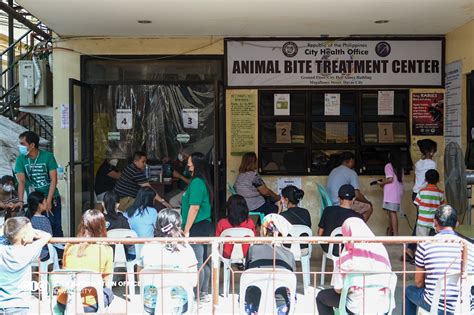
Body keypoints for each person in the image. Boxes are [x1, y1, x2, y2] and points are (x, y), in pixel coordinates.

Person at [405, 205, 474, 315]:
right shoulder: (470, 246)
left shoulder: (425, 245)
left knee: (408, 291)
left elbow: (418, 282)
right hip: (463, 306)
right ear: (456, 224)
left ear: (435, 222)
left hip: (435, 304)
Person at [316, 217, 393, 315]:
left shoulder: (347, 256)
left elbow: (338, 289)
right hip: (382, 305)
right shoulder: (381, 250)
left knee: (321, 297)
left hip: (357, 308)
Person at [140, 209, 197, 314]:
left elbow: (140, 275)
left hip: (151, 304)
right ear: (178, 226)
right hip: (178, 304)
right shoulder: (186, 249)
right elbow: (194, 281)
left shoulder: (147, 248)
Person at [57, 210, 114, 313]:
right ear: (101, 226)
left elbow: (65, 271)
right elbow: (107, 281)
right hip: (89, 305)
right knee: (109, 293)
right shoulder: (106, 249)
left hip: (64, 301)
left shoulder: (69, 246)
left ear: (82, 225)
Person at [244, 214, 296, 315]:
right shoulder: (289, 255)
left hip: (254, 305)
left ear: (263, 231)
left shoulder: (252, 250)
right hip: (281, 306)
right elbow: (291, 284)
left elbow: (247, 273)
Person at [14, 131, 63, 237]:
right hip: (34, 201)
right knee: (36, 230)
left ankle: (58, 251)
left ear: (32, 145)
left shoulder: (48, 156)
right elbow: (21, 181)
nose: (20, 146)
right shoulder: (20, 159)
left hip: (51, 198)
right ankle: (42, 253)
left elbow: (54, 179)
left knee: (55, 227)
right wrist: (20, 200)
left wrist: (49, 200)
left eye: (23, 144)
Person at [181, 152, 214, 303]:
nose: (187, 163)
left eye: (190, 161)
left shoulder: (196, 183)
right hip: (206, 226)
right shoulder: (202, 182)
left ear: (196, 164)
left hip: (197, 226)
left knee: (197, 262)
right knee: (205, 262)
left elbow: (194, 208)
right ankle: (204, 292)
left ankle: (198, 293)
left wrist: (186, 229)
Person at [326, 152, 373, 221]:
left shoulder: (333, 171)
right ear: (351, 160)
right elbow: (357, 194)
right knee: (368, 208)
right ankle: (356, 228)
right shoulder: (351, 173)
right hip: (341, 204)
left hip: (330, 202)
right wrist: (368, 202)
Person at [318, 185, 364, 256]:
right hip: (348, 250)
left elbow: (320, 233)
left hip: (328, 248)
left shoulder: (328, 210)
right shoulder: (358, 217)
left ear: (339, 198)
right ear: (354, 199)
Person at [216, 194, 256, 259]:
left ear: (229, 208)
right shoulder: (250, 222)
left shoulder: (222, 223)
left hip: (226, 255)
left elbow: (217, 242)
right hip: (246, 254)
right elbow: (253, 240)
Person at [102, 190, 135, 261]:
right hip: (120, 258)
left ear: (102, 203)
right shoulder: (123, 220)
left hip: (102, 257)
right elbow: (130, 243)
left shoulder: (98, 219)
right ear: (117, 205)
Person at [378, 149, 404, 236]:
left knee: (392, 213)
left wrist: (382, 183)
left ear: (390, 156)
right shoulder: (400, 167)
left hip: (390, 193)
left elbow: (390, 179)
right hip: (398, 192)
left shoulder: (388, 166)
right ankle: (390, 233)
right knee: (391, 213)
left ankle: (395, 235)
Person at [414, 169, 444, 237]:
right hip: (435, 224)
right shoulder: (440, 193)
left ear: (425, 179)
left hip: (422, 223)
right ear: (438, 180)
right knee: (433, 244)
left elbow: (418, 206)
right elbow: (441, 209)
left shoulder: (421, 192)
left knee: (421, 243)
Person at [25, 191, 53, 261]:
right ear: (40, 205)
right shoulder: (44, 220)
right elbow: (50, 237)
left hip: (28, 253)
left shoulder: (26, 220)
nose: (47, 203)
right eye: (45, 201)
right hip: (42, 253)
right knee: (54, 252)